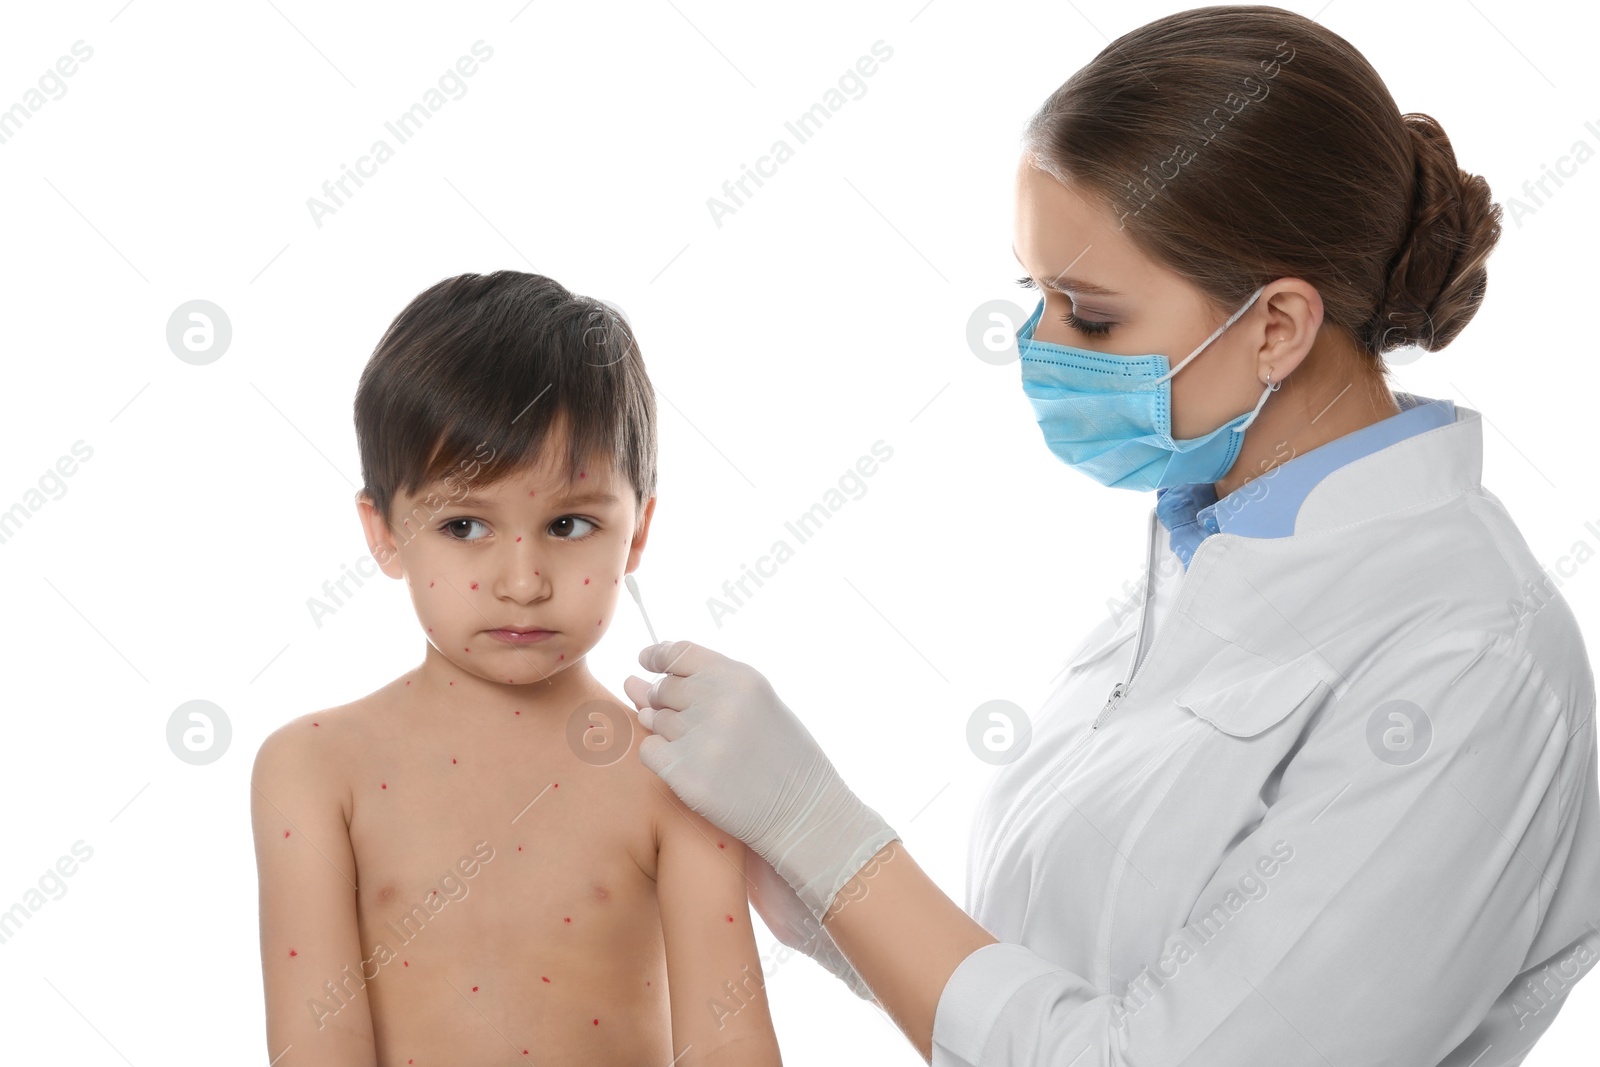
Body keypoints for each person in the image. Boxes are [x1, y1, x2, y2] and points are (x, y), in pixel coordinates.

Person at [620, 6, 1600, 1065]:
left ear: (1275, 325)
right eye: (1030, 294)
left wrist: (829, 834)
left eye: (1087, 314)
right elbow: (1037, 984)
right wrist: (790, 850)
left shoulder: (1465, 662)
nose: (1037, 346)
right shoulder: (1202, 546)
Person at [250, 271, 782, 1066]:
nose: (523, 580)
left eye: (569, 523)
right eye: (465, 525)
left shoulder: (678, 774)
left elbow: (730, 1046)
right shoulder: (315, 768)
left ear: (636, 531)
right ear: (386, 531)